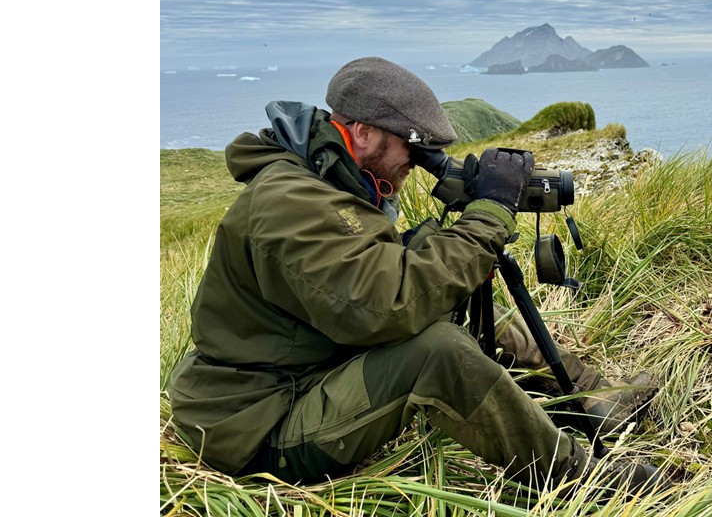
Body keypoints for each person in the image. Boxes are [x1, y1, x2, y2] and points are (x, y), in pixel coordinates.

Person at [168, 56, 663, 494]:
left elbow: (368, 274)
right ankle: (585, 479)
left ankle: (598, 403)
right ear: (362, 133)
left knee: (449, 292)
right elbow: (387, 306)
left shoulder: (330, 175)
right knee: (438, 351)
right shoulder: (290, 200)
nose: (417, 162)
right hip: (259, 422)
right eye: (413, 146)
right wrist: (488, 213)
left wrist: (444, 242)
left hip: (305, 367)